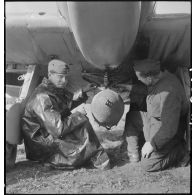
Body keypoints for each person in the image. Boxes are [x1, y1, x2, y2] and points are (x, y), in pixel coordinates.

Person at [21, 59, 110, 170]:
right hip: (41, 143)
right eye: (60, 76)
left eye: (66, 77)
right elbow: (59, 128)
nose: (64, 81)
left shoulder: (51, 89)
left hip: (48, 133)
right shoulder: (42, 96)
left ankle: (96, 155)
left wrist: (83, 92)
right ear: (50, 74)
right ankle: (51, 160)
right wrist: (78, 115)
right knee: (79, 139)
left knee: (81, 127)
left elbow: (63, 105)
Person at [123, 59, 190, 172]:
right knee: (132, 117)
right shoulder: (160, 78)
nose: (139, 79)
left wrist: (152, 144)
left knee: (148, 165)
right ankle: (134, 155)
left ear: (149, 78)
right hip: (155, 120)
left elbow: (169, 128)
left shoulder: (169, 93)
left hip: (169, 131)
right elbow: (149, 88)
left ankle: (180, 152)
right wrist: (126, 87)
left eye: (140, 78)